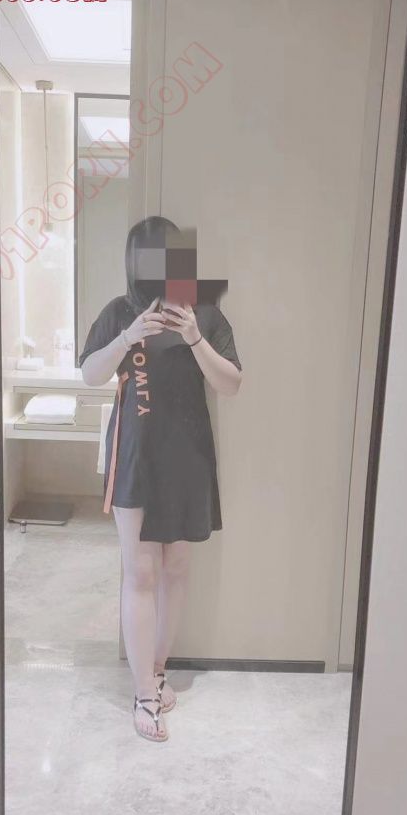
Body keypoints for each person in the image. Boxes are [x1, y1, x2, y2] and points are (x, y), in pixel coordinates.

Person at [79, 216, 242, 742]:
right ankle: (144, 694)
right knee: (141, 572)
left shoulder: (204, 313)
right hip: (136, 457)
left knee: (176, 569)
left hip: (188, 457)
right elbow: (91, 374)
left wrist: (194, 338)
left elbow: (231, 384)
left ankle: (157, 670)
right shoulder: (120, 311)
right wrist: (128, 337)